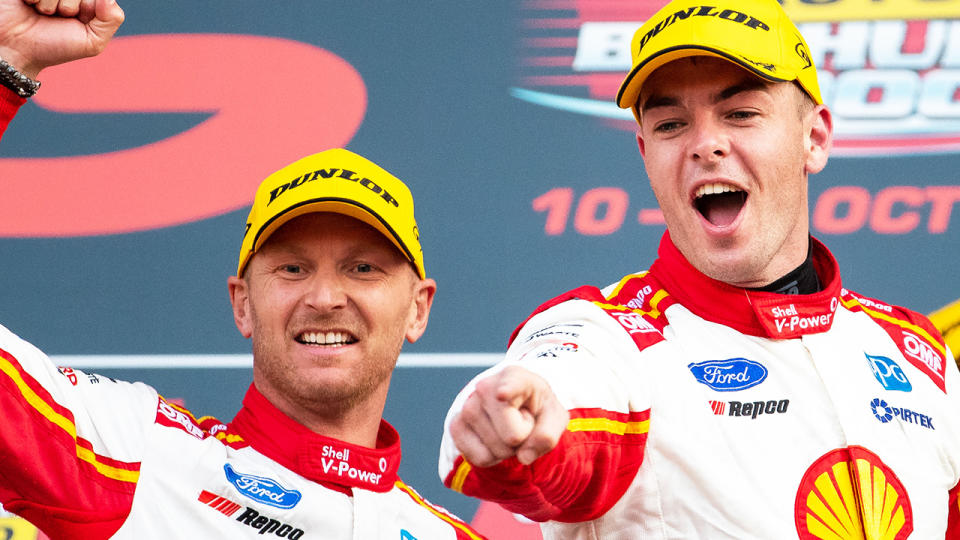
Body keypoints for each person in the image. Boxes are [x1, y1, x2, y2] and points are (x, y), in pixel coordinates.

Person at [438, 0, 960, 538]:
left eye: (740, 114)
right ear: (645, 152)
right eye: (671, 124)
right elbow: (558, 404)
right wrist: (515, 423)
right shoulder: (606, 336)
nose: (705, 144)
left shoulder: (919, 354)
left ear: (815, 138)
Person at [0, 1, 485, 538]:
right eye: (293, 269)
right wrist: (8, 59)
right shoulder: (139, 455)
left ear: (418, 308)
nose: (325, 297)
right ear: (242, 303)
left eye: (363, 268)